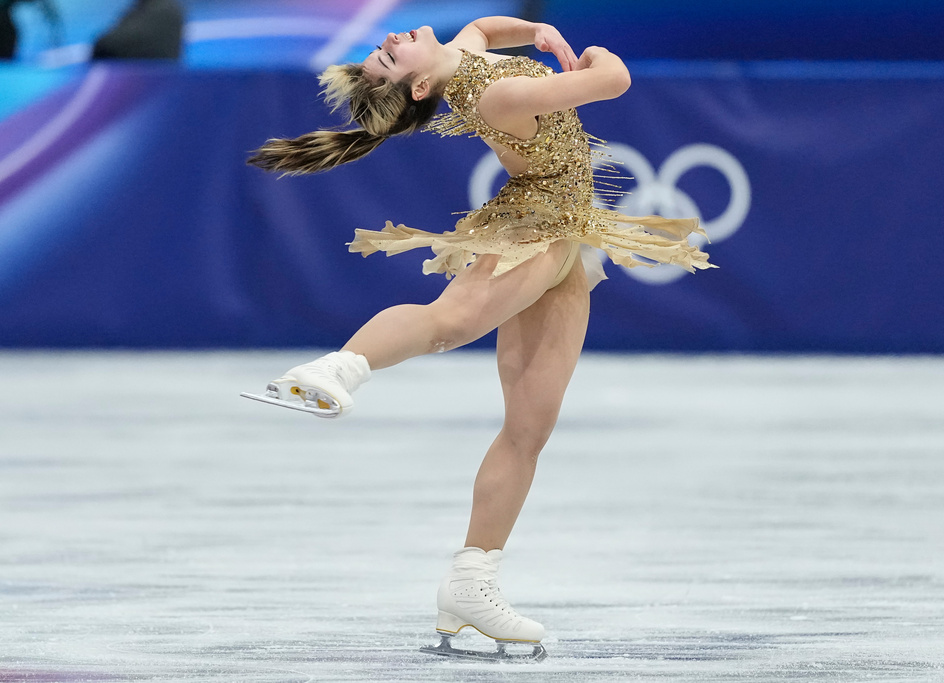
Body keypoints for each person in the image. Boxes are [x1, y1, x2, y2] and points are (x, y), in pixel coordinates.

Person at [244, 16, 714, 659]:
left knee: (529, 428)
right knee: (453, 320)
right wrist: (595, 55)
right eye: (388, 53)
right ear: (415, 89)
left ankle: (472, 582)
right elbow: (614, 81)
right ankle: (340, 367)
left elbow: (484, 30)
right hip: (532, 225)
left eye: (385, 44)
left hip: (567, 234)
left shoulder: (461, 60)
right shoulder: (496, 98)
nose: (394, 38)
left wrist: (539, 30)